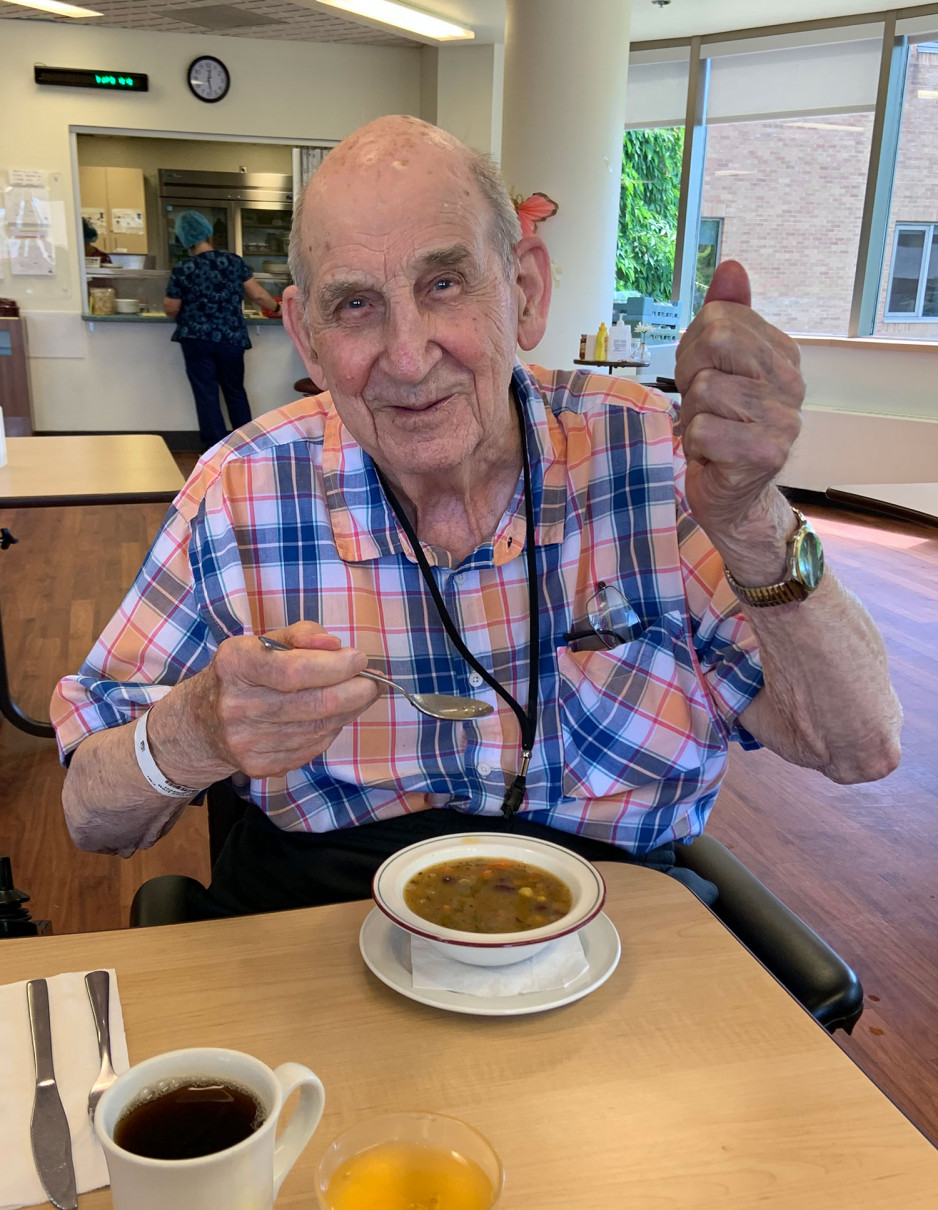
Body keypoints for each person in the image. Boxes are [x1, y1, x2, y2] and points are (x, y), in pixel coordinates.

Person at [52, 117, 901, 918]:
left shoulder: (659, 460)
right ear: (307, 341)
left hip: (612, 932)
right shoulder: (240, 492)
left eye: (445, 283)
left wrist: (750, 520)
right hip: (319, 924)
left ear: (525, 292)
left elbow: (859, 748)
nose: (410, 355)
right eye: (355, 305)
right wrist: (193, 732)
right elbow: (93, 816)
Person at [163, 211, 283, 450]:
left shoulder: (183, 268)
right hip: (230, 338)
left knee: (206, 395)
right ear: (209, 234)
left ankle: (214, 452)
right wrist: (278, 308)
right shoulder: (233, 262)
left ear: (184, 239)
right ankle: (247, 447)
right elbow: (258, 294)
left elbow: (171, 307)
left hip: (195, 339)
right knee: (235, 391)